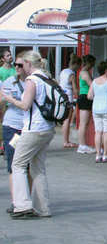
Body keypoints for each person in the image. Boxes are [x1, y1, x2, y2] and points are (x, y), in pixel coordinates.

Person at [1, 51, 55, 218]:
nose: (20, 67)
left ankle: (22, 205)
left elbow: (25, 105)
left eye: (22, 64)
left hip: (34, 129)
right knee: (38, 168)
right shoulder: (48, 79)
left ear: (29, 64)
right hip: (47, 128)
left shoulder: (33, 80)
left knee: (18, 165)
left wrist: (9, 99)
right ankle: (43, 208)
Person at [1, 60, 26, 212]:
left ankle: (27, 198)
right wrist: (5, 98)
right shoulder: (9, 81)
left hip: (29, 128)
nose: (16, 67)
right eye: (15, 64)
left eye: (20, 65)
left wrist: (12, 100)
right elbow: (1, 103)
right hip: (12, 128)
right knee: (13, 163)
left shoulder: (33, 82)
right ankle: (16, 201)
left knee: (27, 165)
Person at [59, 54, 79, 149]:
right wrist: (78, 96)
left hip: (61, 96)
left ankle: (65, 140)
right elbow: (74, 88)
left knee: (64, 120)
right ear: (75, 64)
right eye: (79, 66)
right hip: (69, 97)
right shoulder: (72, 74)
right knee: (67, 119)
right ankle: (66, 141)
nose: (79, 68)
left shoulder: (63, 71)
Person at [76, 54, 96, 154]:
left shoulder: (83, 72)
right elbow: (91, 85)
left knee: (84, 123)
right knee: (83, 123)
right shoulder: (85, 73)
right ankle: (82, 145)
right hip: (85, 97)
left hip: (83, 96)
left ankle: (83, 144)